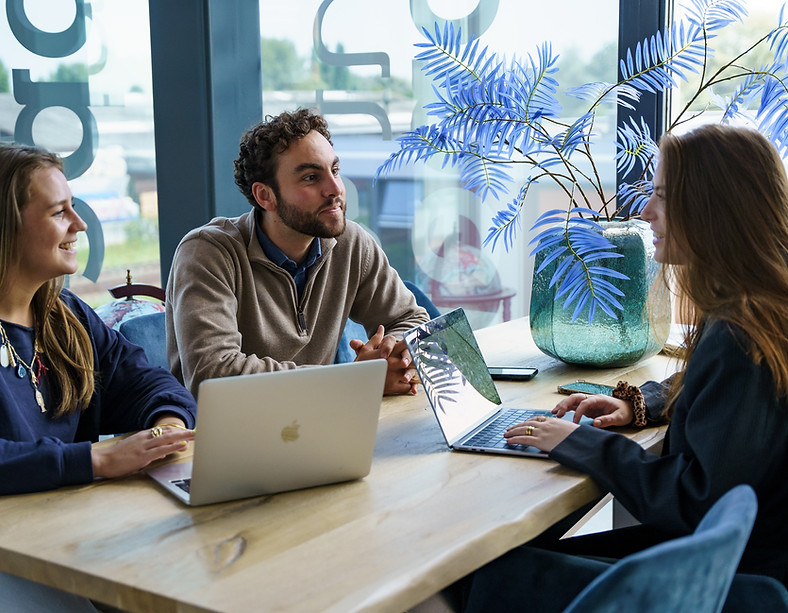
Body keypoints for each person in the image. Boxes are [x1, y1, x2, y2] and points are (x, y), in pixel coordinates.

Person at [462, 124, 788, 611]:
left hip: (722, 582)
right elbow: (723, 396)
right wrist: (639, 401)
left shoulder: (741, 335)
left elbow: (698, 503)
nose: (646, 211)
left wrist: (583, 443)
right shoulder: (763, 312)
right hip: (750, 564)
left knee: (475, 574)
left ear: (712, 208)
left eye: (660, 195)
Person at [0, 143, 197, 611]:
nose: (80, 224)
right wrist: (97, 460)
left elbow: (150, 382)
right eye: (58, 212)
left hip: (73, 539)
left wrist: (166, 428)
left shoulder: (65, 315)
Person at [166, 108, 430, 397]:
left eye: (335, 170)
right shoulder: (208, 253)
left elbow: (413, 321)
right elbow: (213, 375)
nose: (335, 189)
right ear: (265, 196)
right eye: (310, 178)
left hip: (320, 425)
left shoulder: (352, 243)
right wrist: (356, 380)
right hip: (227, 436)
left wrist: (395, 356)